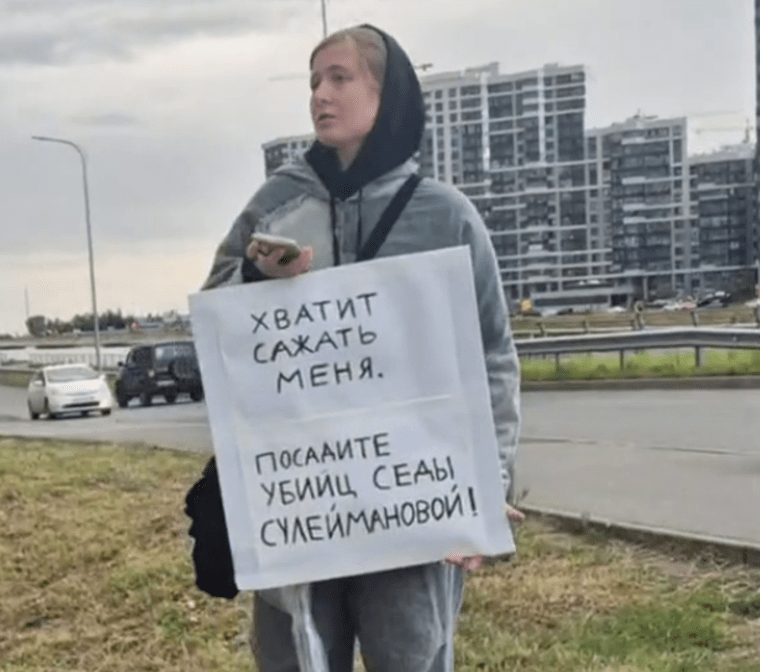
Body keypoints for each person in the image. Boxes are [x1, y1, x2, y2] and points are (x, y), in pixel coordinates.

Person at [196, 24, 523, 672]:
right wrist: (259, 278)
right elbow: (215, 326)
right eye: (313, 81)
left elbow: (492, 358)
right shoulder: (274, 207)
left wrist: (490, 480)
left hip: (406, 494)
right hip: (303, 495)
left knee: (411, 656)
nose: (320, 94)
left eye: (339, 77)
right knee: (295, 659)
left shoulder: (446, 216)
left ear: (387, 92)